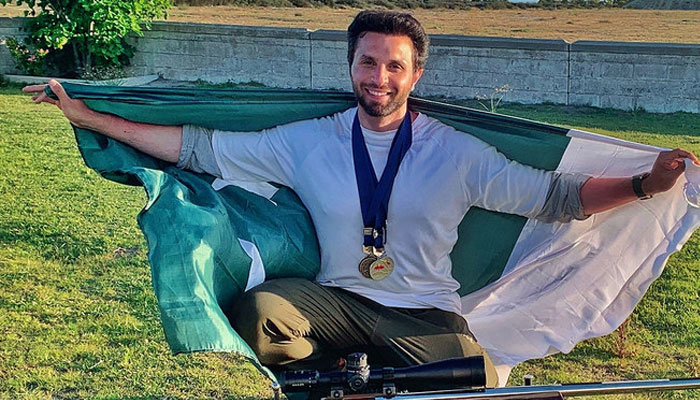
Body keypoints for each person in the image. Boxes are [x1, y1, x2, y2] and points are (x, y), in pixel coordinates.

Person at [24, 10, 698, 388]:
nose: (380, 77)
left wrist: (646, 186)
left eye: (394, 65)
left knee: (472, 386)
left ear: (416, 73)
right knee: (260, 314)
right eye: (368, 62)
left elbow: (557, 197)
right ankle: (333, 382)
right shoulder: (311, 140)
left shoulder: (455, 152)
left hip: (423, 313)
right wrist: (90, 118)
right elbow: (198, 146)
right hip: (338, 302)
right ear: (351, 66)